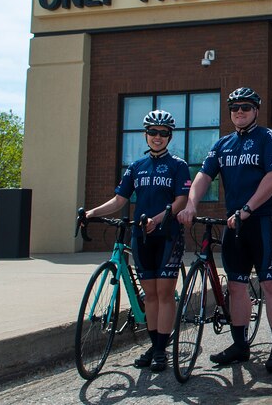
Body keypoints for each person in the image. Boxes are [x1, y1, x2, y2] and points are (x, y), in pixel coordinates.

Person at [177, 87, 272, 373]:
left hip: (261, 221)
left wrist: (249, 209)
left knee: (270, 285)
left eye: (246, 107)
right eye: (235, 108)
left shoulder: (269, 138)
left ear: (255, 110)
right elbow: (203, 176)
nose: (240, 112)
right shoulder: (222, 144)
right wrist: (191, 205)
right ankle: (240, 346)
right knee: (237, 286)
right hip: (233, 224)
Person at [84, 109, 190, 372]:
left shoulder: (178, 166)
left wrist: (155, 219)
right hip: (141, 237)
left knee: (165, 294)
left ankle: (161, 351)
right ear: (146, 135)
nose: (157, 137)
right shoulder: (136, 167)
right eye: (153, 132)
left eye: (163, 133)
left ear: (169, 136)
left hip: (167, 236)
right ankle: (155, 347)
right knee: (150, 296)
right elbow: (120, 200)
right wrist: (91, 213)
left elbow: (181, 201)